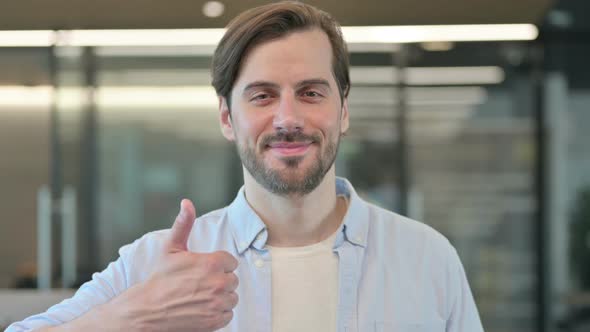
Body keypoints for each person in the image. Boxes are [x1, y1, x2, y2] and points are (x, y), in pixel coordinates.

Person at [7, 1, 484, 331]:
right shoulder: (157, 264)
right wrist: (137, 314)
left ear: (343, 110)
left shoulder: (428, 258)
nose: (289, 118)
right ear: (226, 117)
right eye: (262, 96)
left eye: (311, 92)